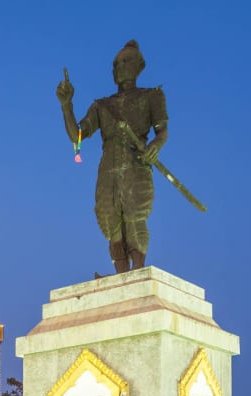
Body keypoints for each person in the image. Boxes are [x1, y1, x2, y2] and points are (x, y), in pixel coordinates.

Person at [56, 40, 167, 273]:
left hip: (136, 164)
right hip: (107, 169)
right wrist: (67, 106)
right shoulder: (102, 106)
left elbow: (162, 131)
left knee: (135, 215)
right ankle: (121, 273)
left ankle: (138, 269)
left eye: (126, 61)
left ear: (139, 66)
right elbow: (76, 136)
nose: (120, 67)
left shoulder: (151, 96)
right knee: (109, 219)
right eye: (116, 64)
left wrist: (155, 145)